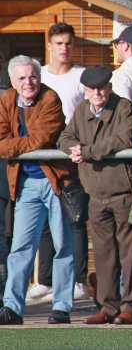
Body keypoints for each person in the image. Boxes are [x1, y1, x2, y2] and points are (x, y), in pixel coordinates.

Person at [57, 65, 132, 324]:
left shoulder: (124, 107)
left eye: (102, 87)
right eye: (92, 88)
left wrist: (87, 152)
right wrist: (72, 148)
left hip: (122, 192)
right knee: (104, 256)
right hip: (95, 192)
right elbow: (64, 137)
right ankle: (107, 308)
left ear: (109, 87)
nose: (97, 92)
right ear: (84, 90)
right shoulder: (82, 110)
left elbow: (122, 139)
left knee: (131, 253)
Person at [0, 55, 74, 325]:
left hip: (56, 180)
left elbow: (42, 138)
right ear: (13, 81)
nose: (28, 82)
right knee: (20, 247)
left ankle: (62, 307)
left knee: (62, 245)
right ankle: (12, 307)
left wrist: (14, 145)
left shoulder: (50, 98)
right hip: (24, 184)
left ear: (39, 77)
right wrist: (21, 145)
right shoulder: (5, 100)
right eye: (22, 78)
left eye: (32, 76)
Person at [32, 22, 89, 303]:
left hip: (71, 158)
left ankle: (78, 281)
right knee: (43, 218)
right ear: (50, 46)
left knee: (75, 217)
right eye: (59, 44)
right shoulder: (38, 75)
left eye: (68, 43)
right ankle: (44, 280)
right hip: (42, 157)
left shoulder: (81, 76)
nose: (64, 48)